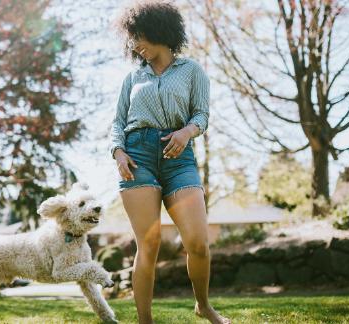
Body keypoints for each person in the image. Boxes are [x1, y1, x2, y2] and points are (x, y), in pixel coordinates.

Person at [109, 1, 230, 324]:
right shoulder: (133, 77)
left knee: (198, 243)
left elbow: (202, 114)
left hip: (179, 159)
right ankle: (144, 321)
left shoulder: (192, 71)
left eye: (138, 37)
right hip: (138, 156)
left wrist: (187, 132)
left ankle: (203, 305)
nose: (135, 45)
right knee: (148, 243)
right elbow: (117, 122)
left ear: (158, 30)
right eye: (131, 39)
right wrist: (118, 152)